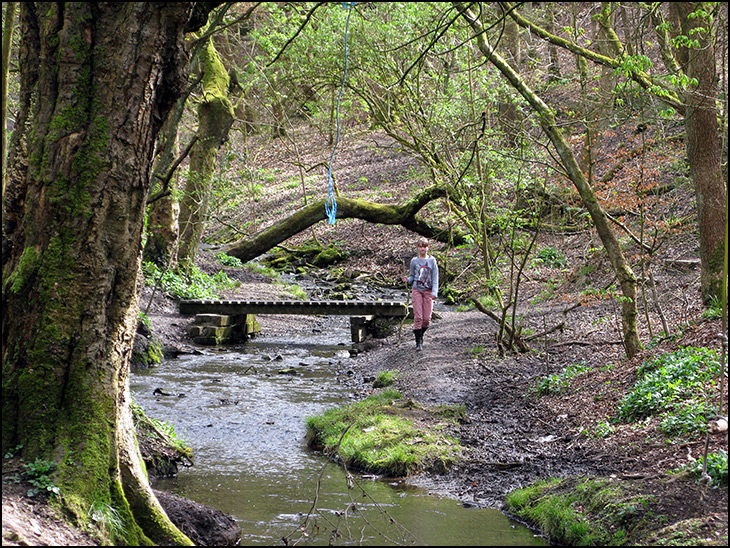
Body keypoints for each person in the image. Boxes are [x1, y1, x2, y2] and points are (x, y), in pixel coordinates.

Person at [402, 237, 439, 350]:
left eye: (425, 246)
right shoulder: (414, 261)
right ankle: (418, 342)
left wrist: (434, 292)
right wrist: (407, 280)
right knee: (418, 317)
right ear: (417, 248)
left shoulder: (432, 261)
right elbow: (413, 275)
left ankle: (420, 334)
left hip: (428, 291)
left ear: (428, 248)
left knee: (427, 319)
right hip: (416, 290)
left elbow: (435, 277)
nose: (423, 249)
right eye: (421, 246)